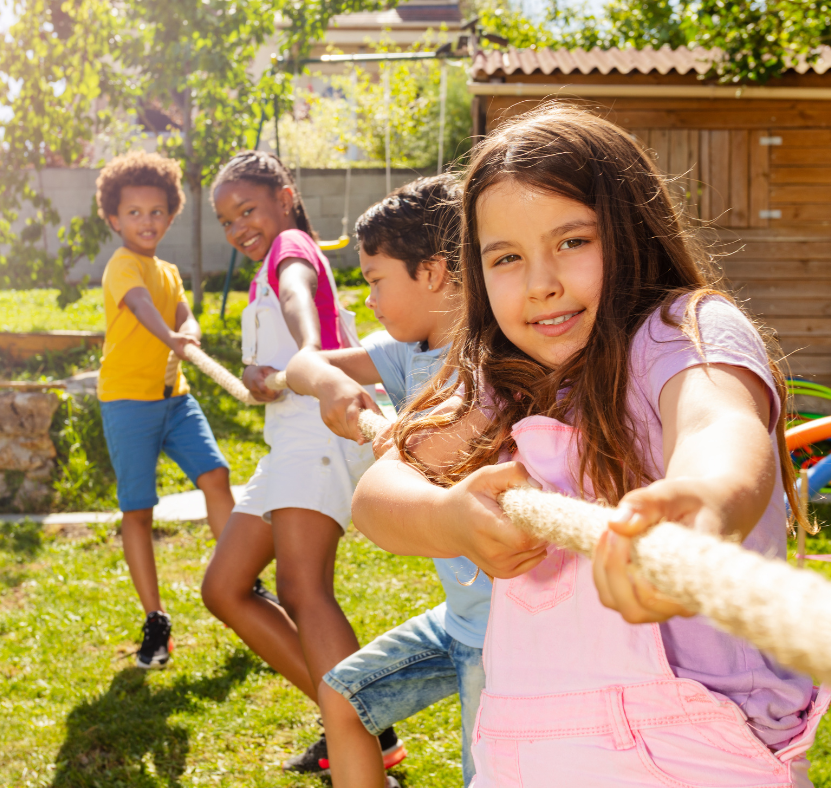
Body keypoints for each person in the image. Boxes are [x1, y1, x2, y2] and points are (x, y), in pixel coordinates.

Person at [352, 104, 830, 787]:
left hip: (698, 754)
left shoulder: (682, 332)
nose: (542, 280)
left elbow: (718, 423)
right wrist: (446, 514)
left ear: (632, 234)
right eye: (507, 258)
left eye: (573, 242)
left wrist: (701, 504)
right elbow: (378, 494)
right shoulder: (505, 380)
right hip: (527, 747)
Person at [200, 151, 403, 780]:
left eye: (248, 209)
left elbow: (297, 295)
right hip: (288, 444)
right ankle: (363, 723)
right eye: (227, 220)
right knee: (224, 588)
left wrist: (309, 355)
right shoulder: (265, 269)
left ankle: (361, 744)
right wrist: (263, 374)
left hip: (317, 437)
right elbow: (280, 316)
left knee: (302, 589)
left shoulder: (290, 246)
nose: (239, 227)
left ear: (285, 197)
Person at [285, 174, 489, 787]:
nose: (367, 299)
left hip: (506, 633)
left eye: (376, 280)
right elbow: (304, 363)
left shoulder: (495, 362)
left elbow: (434, 464)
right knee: (344, 700)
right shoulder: (406, 353)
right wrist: (331, 384)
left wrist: (389, 429)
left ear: (431, 271)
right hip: (460, 618)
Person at [95, 151, 237, 669]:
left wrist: (191, 331)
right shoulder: (121, 266)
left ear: (170, 215)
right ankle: (156, 619)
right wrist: (174, 337)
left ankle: (242, 577)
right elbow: (142, 308)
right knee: (138, 508)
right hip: (128, 401)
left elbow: (181, 311)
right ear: (114, 219)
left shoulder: (169, 271)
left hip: (174, 399)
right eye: (134, 213)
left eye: (156, 212)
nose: (146, 221)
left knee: (215, 474)